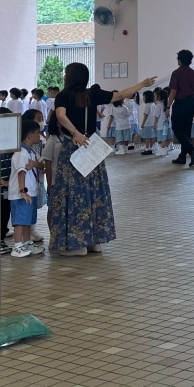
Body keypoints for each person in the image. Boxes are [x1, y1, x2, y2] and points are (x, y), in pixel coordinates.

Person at [48, 62, 153, 256]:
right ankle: (94, 242)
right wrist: (143, 84)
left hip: (73, 148)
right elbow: (120, 95)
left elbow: (60, 116)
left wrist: (75, 133)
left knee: (73, 193)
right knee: (95, 192)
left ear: (70, 76)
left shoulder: (63, 95)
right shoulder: (92, 94)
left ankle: (77, 245)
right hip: (92, 147)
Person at [9, 120, 45, 258]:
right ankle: (17, 246)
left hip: (30, 191)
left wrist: (35, 164)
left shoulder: (30, 152)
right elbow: (21, 173)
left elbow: (41, 166)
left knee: (27, 220)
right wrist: (23, 192)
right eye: (37, 133)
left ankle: (26, 242)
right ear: (30, 135)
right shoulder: (21, 153)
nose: (39, 136)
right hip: (22, 194)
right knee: (20, 220)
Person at [166, 50, 194, 167]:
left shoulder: (177, 73)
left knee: (176, 128)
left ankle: (192, 150)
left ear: (180, 60)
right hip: (191, 102)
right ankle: (182, 156)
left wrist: (168, 106)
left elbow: (173, 91)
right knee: (186, 130)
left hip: (180, 102)